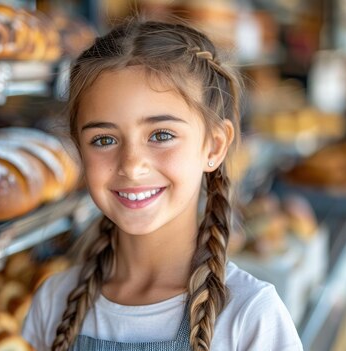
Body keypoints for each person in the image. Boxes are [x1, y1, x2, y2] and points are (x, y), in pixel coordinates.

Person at [22, 19, 303, 351]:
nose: (132, 165)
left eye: (161, 135)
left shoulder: (250, 316)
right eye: (104, 139)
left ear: (213, 146)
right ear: (79, 151)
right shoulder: (53, 302)